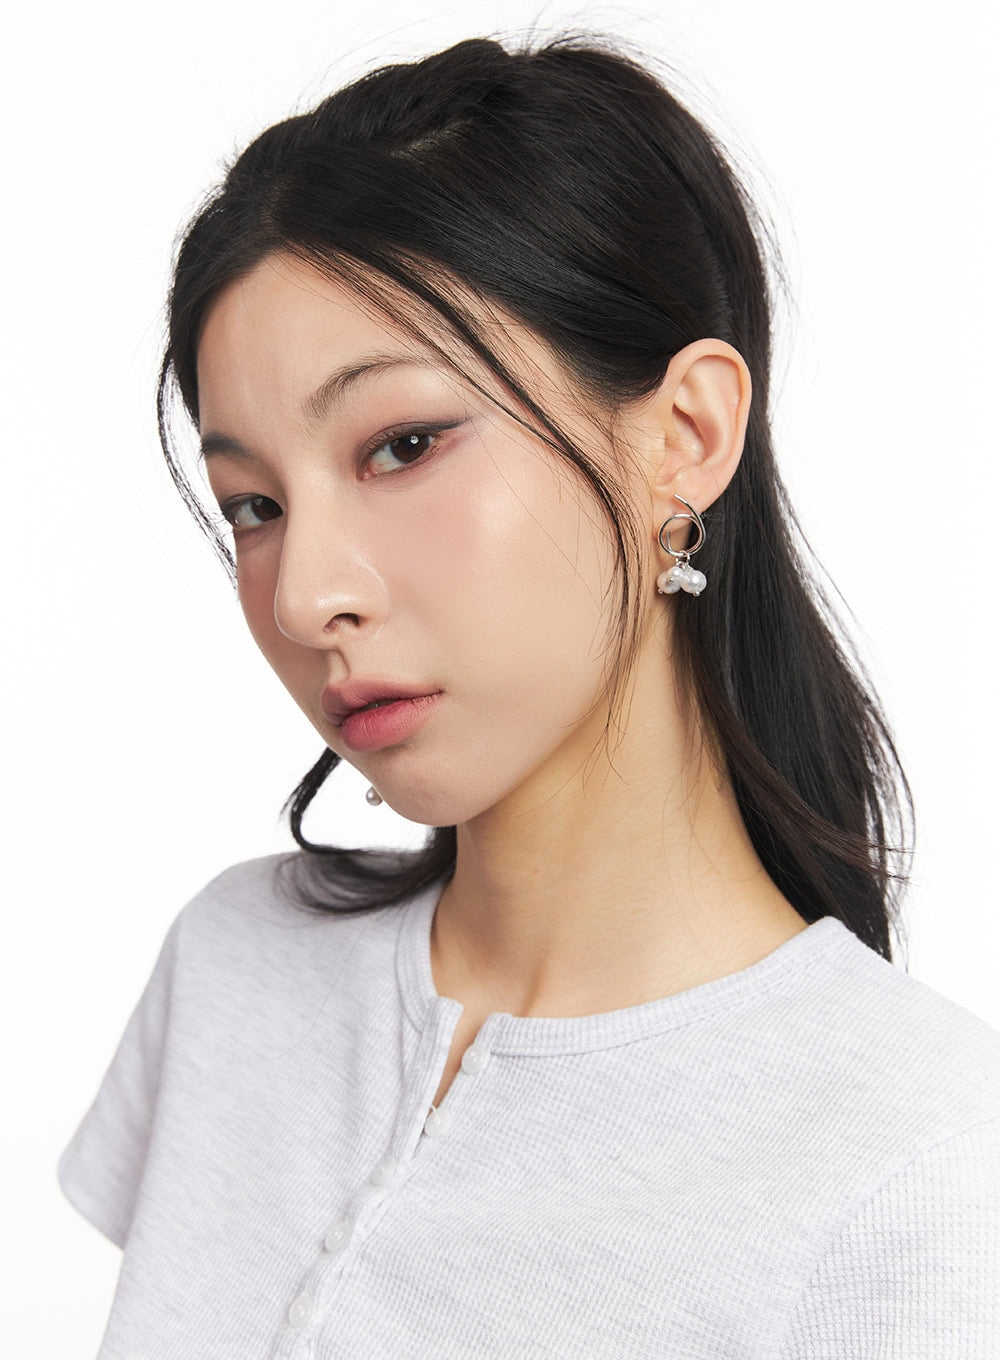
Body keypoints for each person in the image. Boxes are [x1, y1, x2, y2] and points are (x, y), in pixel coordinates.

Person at [58, 29, 1000, 1359]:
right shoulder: (236, 970)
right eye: (253, 504)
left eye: (402, 445)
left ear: (684, 436)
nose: (304, 596)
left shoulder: (921, 1168)